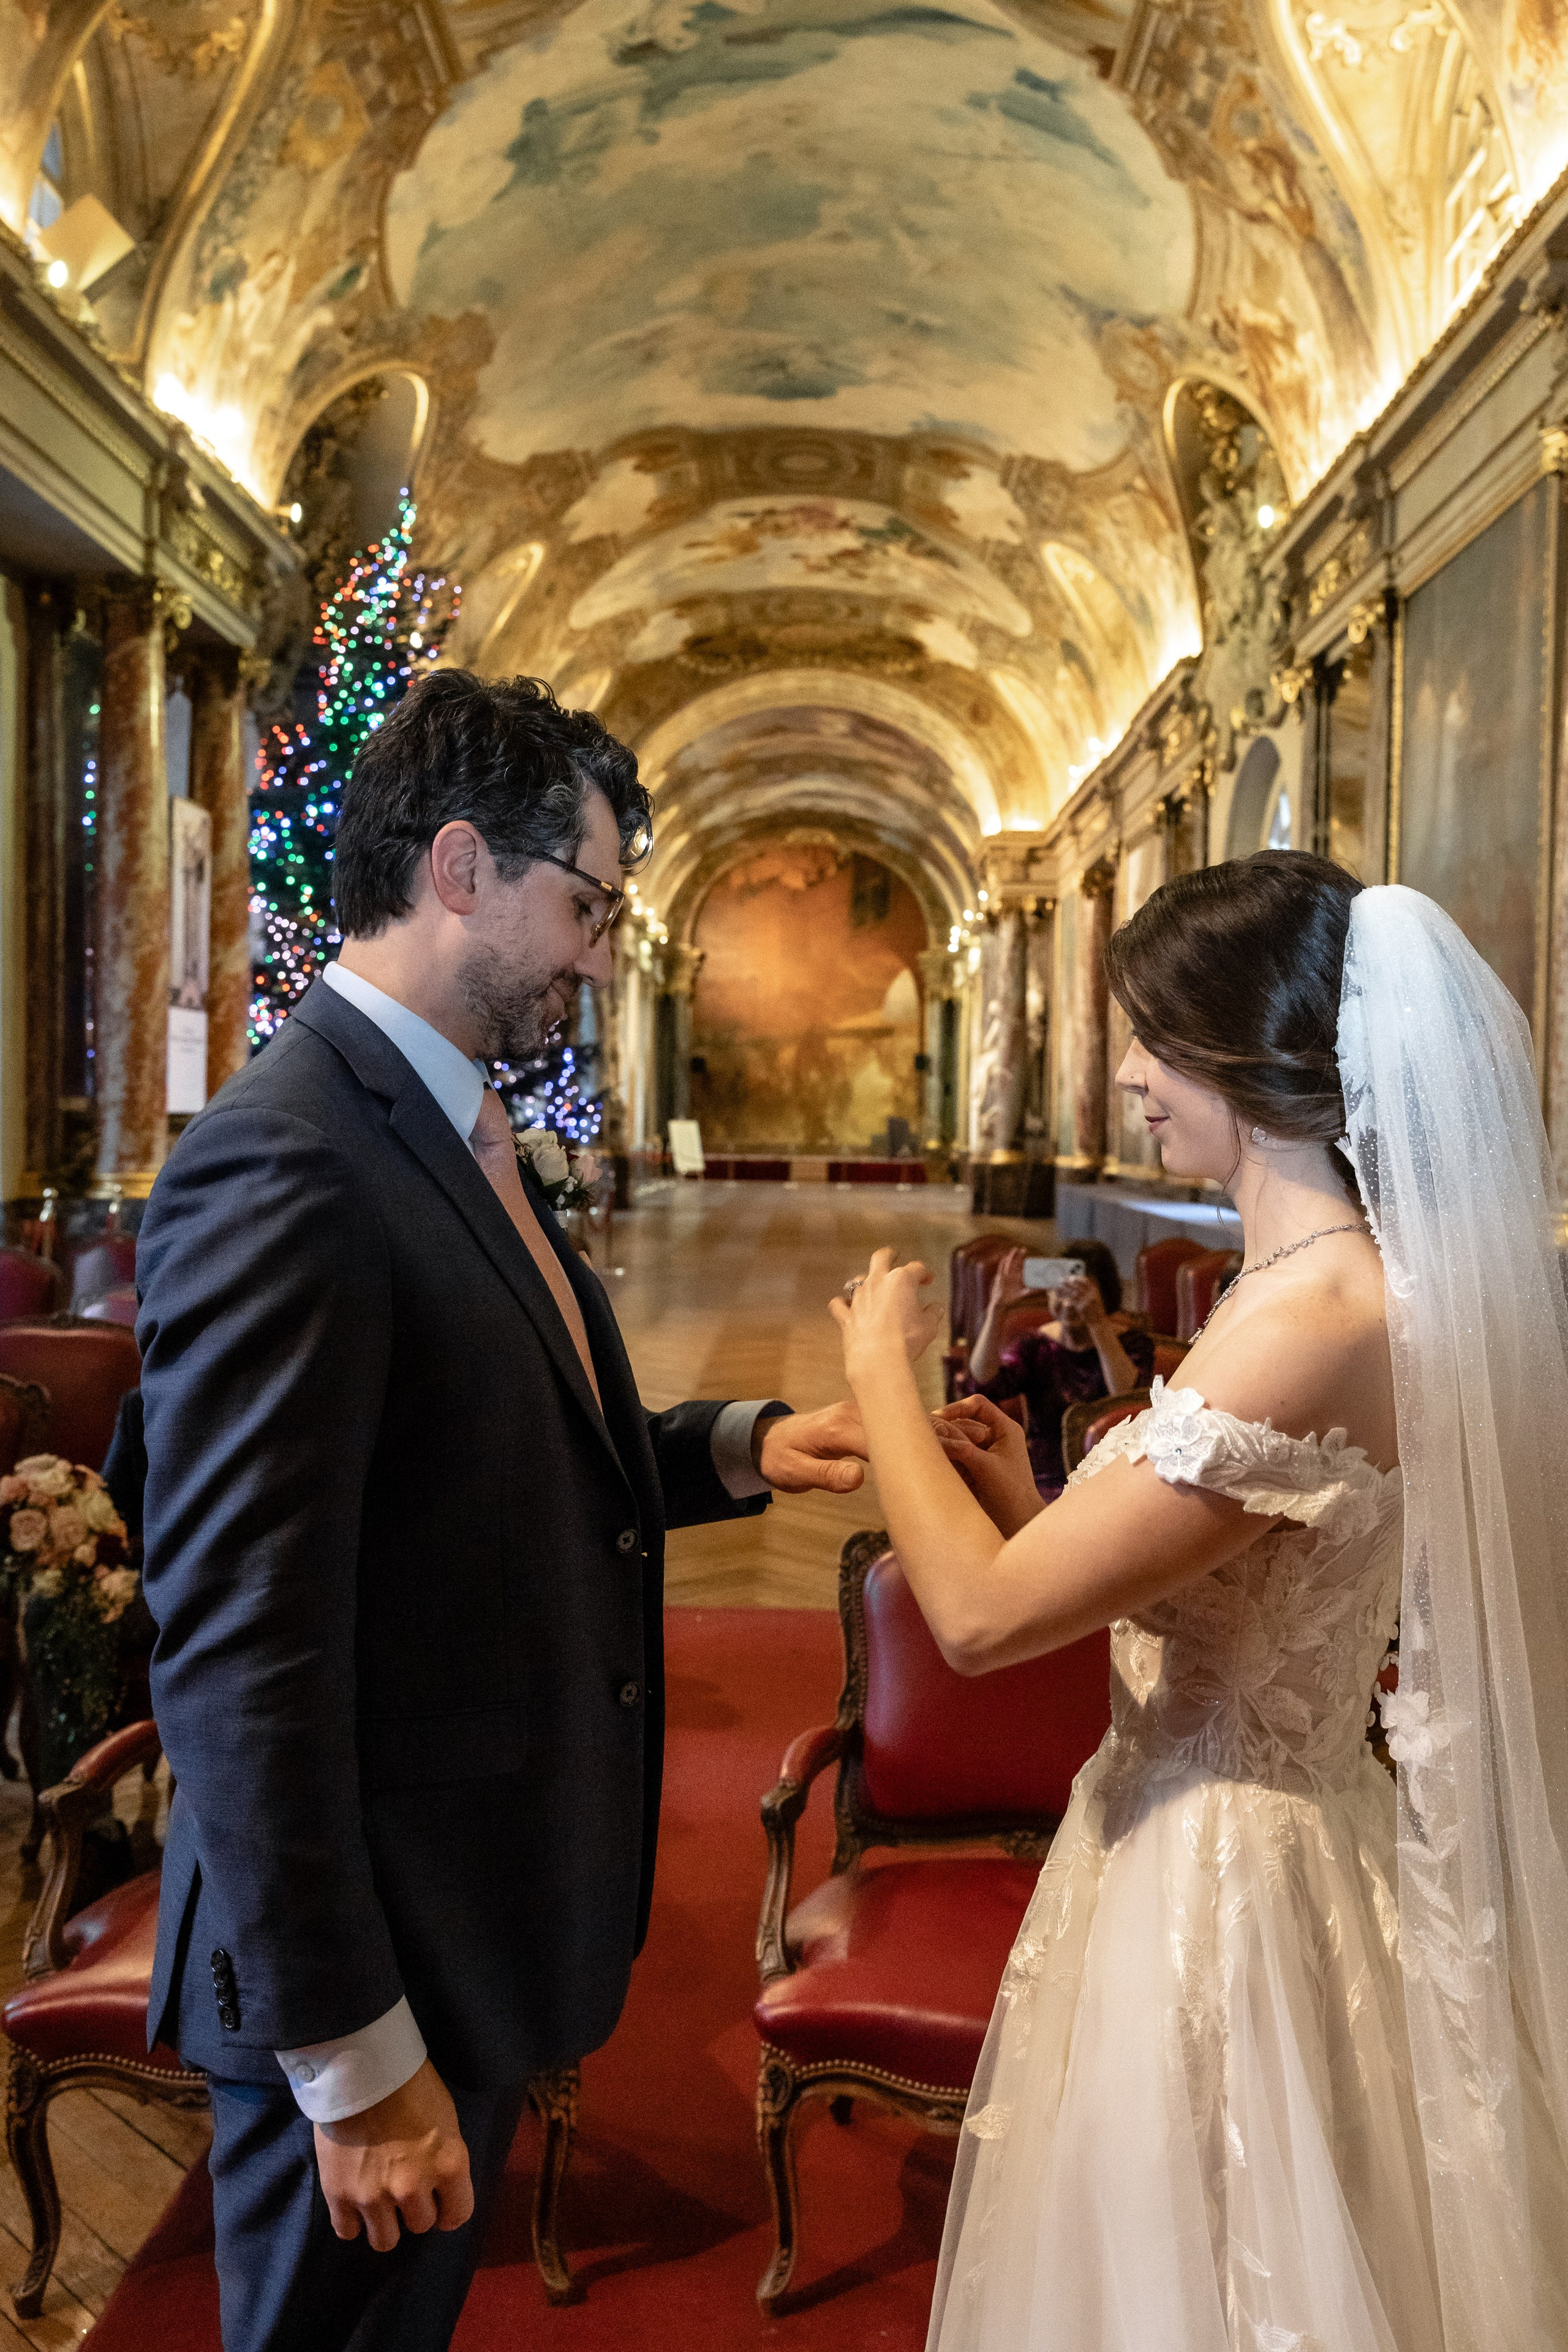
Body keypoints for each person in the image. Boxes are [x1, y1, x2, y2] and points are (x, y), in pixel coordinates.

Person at [135, 671, 870, 2352]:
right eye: (590, 906)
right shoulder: (291, 1160)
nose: (605, 954)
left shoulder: (454, 1124)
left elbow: (491, 1454)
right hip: (370, 1954)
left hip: (462, 1919)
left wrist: (740, 1446)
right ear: (459, 869)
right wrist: (351, 2051)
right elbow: (245, 1652)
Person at [832, 851, 1568, 2352]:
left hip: (1226, 1871)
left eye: (1149, 1041)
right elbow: (1230, 1584)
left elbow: (975, 1623)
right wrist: (1036, 1513)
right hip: (1212, 1820)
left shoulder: (1311, 1315)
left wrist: (880, 1376)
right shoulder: (1297, 1282)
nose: (1126, 1078)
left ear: (1241, 1055)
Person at [962, 1237, 1153, 1499]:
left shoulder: (1134, 1344)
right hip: (1042, 1479)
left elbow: (1126, 1398)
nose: (1066, 1303)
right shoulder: (1038, 1345)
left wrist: (1097, 1322)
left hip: (1112, 1475)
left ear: (1105, 1295)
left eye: (1077, 1293)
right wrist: (998, 1306)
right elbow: (984, 1381)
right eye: (1059, 1291)